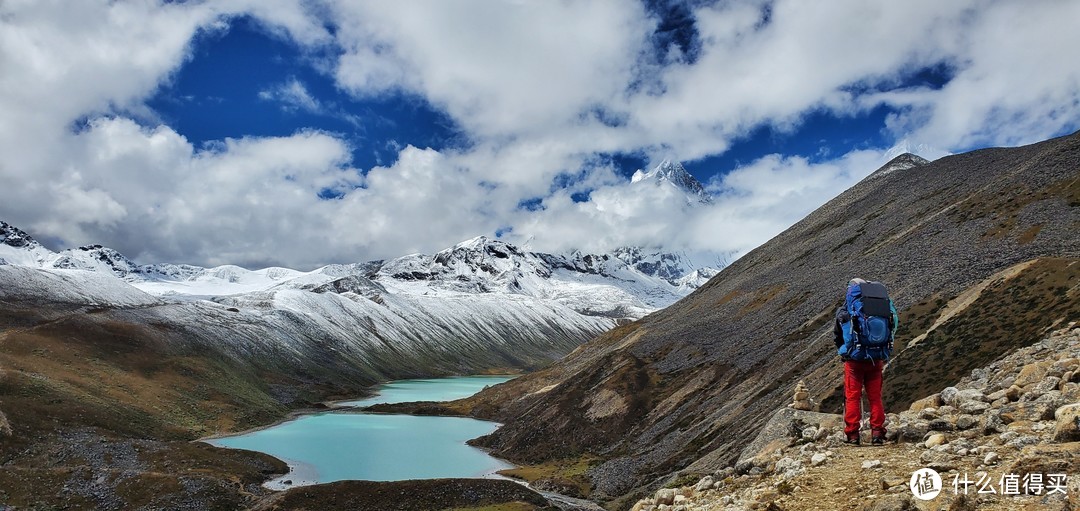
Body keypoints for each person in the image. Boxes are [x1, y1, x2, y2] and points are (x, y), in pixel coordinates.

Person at [833, 278, 897, 445]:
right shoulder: (883, 307)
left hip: (854, 361)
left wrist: (843, 351)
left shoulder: (845, 310)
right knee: (875, 397)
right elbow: (893, 327)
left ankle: (853, 435)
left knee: (853, 397)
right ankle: (877, 433)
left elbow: (838, 336)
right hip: (877, 358)